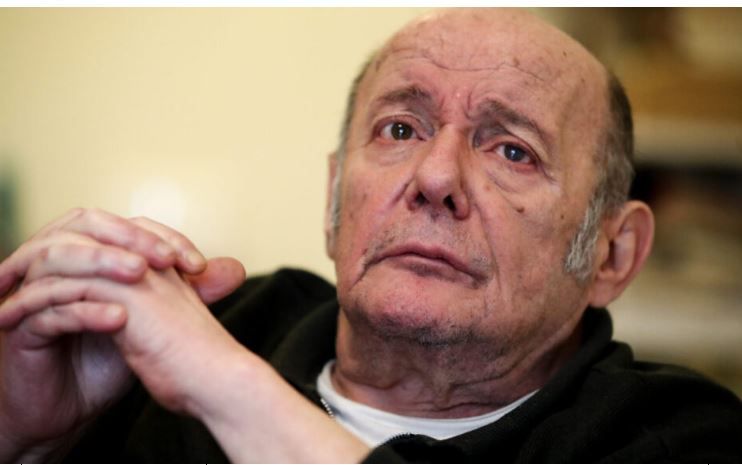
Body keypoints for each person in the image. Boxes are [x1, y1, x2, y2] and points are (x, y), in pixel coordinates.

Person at [0, 8, 740, 463]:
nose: (435, 176)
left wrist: (221, 385)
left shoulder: (681, 437)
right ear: (334, 198)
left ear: (612, 254)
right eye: (400, 129)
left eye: (512, 150)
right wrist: (25, 438)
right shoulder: (210, 326)